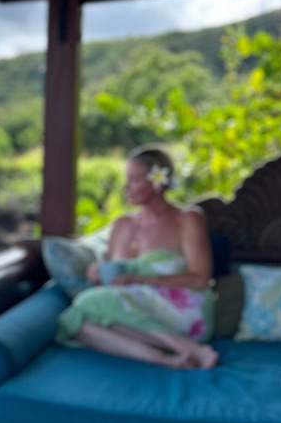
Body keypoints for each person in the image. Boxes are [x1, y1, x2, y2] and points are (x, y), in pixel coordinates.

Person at [56, 146, 219, 369]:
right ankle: (168, 359)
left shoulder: (187, 219)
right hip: (132, 309)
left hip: (182, 308)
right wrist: (96, 274)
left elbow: (200, 279)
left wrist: (141, 280)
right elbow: (112, 283)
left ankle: (189, 347)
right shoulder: (122, 225)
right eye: (127, 180)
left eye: (134, 180)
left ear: (157, 181)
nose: (126, 187)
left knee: (86, 303)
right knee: (74, 323)